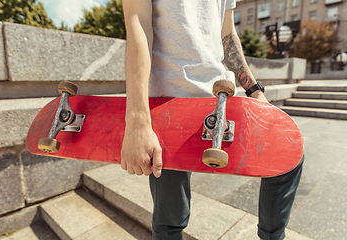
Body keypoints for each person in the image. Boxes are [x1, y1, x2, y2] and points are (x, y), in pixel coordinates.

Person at [120, 0, 304, 239]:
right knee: (170, 218)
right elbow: (138, 21)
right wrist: (137, 123)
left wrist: (255, 91)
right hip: (170, 103)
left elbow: (227, 35)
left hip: (221, 99)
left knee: (288, 154)